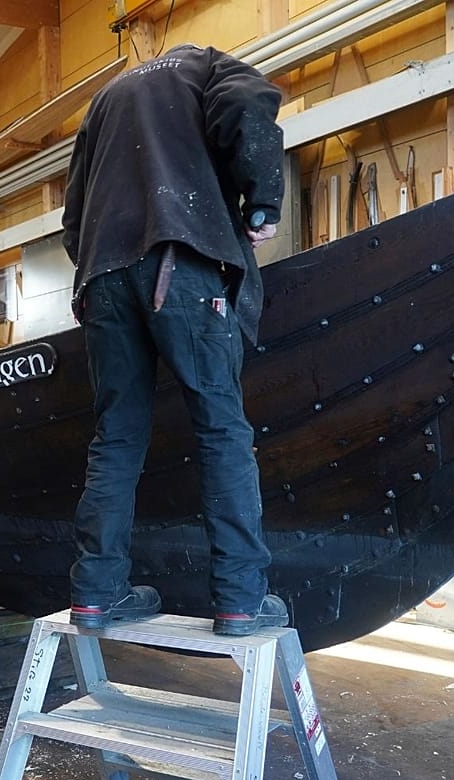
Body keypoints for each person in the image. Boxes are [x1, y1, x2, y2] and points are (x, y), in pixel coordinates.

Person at [61, 44, 288, 636]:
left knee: (116, 437)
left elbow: (73, 214)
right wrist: (262, 205)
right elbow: (248, 104)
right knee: (221, 427)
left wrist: (102, 264)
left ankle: (96, 593)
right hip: (180, 261)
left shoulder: (104, 100)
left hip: (101, 277)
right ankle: (240, 599)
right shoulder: (207, 65)